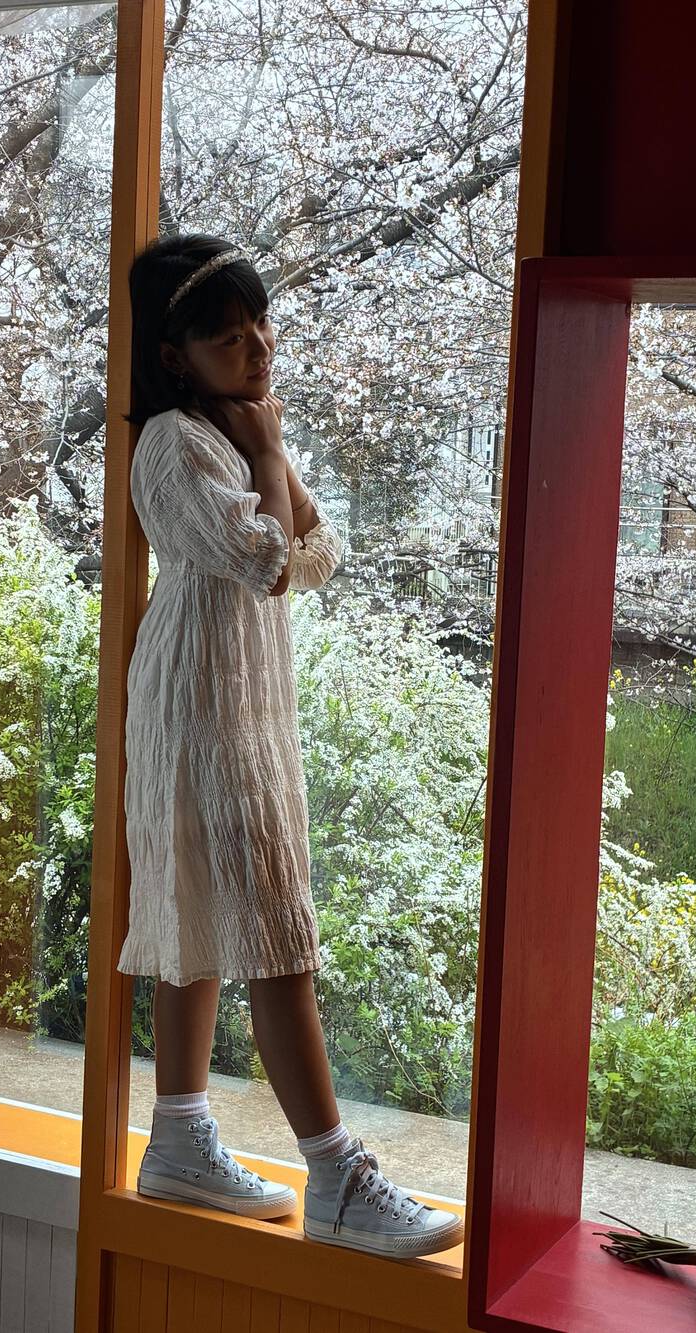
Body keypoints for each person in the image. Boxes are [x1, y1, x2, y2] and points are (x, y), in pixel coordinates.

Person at [115, 233, 463, 1260]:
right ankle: (337, 1176)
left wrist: (269, 455)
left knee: (213, 907)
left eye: (261, 324)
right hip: (202, 698)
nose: (258, 346)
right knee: (271, 926)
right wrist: (270, 457)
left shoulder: (230, 425)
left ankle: (178, 1139)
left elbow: (317, 550)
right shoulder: (174, 441)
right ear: (175, 354)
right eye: (229, 336)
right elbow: (269, 558)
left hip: (237, 692)